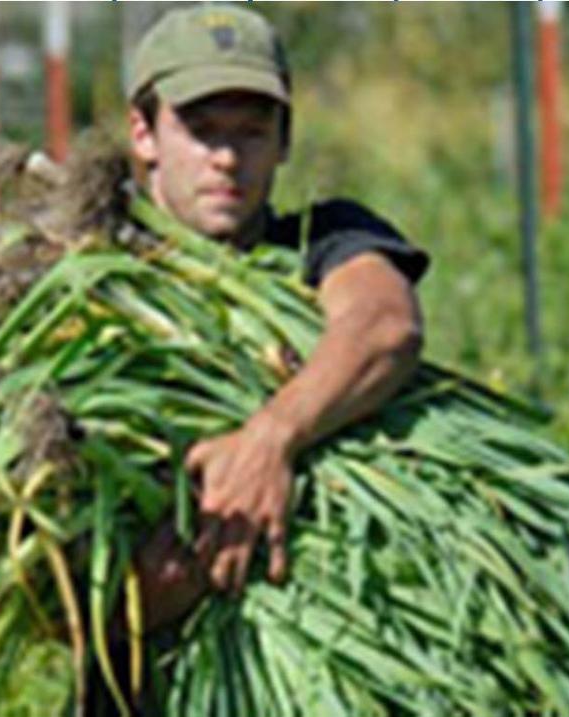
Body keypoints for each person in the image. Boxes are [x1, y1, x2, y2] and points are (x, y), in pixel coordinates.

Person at [121, 1, 430, 650]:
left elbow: (384, 324)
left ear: (285, 140)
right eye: (202, 130)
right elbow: (57, 611)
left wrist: (268, 441)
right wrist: (197, 556)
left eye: (252, 131)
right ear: (144, 134)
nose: (227, 158)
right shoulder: (100, 292)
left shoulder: (324, 242)